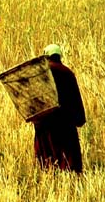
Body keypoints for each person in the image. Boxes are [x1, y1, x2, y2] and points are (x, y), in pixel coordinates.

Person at [32, 44, 86, 173]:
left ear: (46, 55)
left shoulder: (40, 72)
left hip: (45, 121)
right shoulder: (67, 73)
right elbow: (75, 97)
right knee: (67, 154)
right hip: (65, 121)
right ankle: (68, 176)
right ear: (59, 56)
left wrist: (35, 118)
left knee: (47, 156)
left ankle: (48, 174)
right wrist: (79, 118)